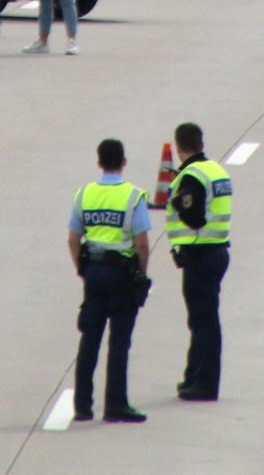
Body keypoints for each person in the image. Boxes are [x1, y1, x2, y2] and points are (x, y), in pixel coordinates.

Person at [67, 138, 152, 423]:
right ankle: (115, 404)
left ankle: (82, 405)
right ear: (123, 162)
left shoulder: (84, 194)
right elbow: (142, 243)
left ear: (99, 162)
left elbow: (72, 239)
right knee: (119, 341)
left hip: (93, 271)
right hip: (121, 274)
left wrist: (83, 269)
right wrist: (141, 274)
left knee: (90, 337)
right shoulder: (132, 196)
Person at [167, 121, 232, 402]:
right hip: (216, 251)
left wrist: (177, 202)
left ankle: (204, 383)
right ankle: (193, 376)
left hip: (201, 254)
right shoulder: (216, 170)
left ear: (179, 148)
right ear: (201, 144)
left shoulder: (191, 176)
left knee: (203, 321)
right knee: (202, 319)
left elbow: (195, 218)